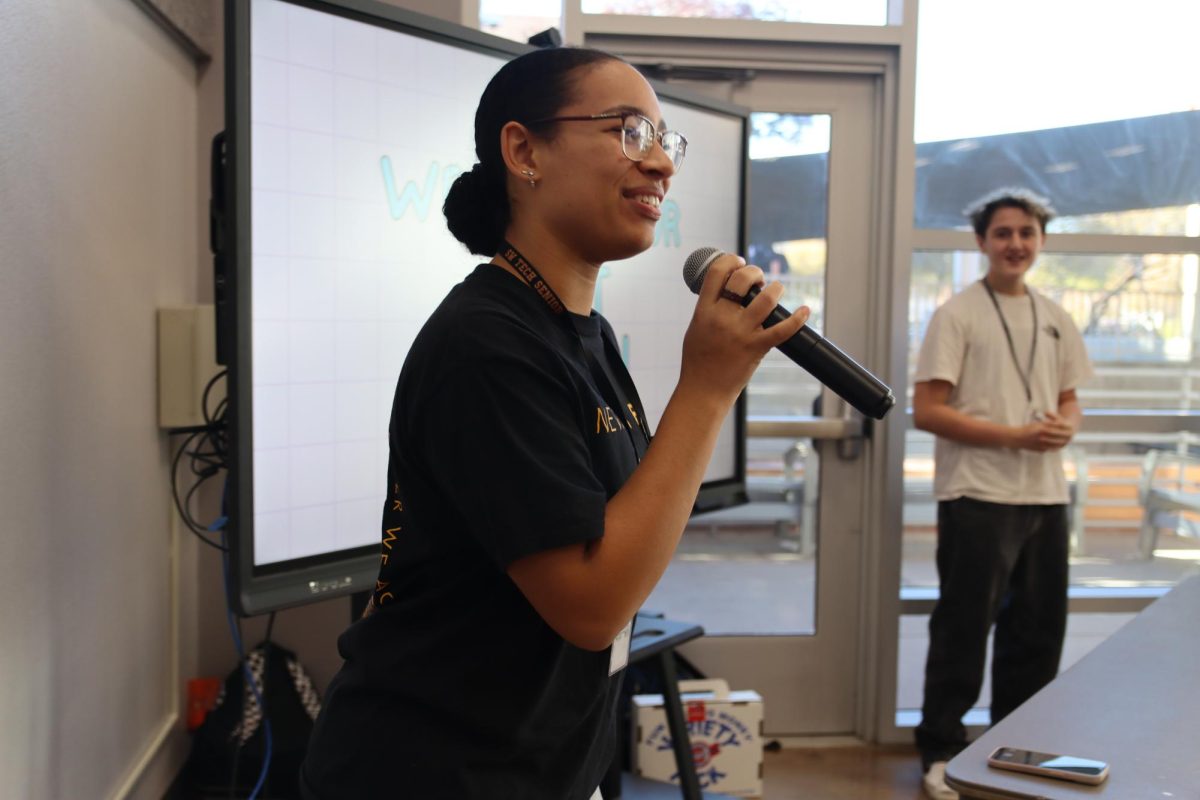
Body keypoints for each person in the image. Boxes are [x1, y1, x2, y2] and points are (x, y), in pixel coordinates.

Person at [299, 46, 808, 800]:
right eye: (631, 132)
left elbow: (620, 541)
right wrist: (706, 390)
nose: (661, 164)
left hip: (542, 764)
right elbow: (592, 605)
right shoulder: (484, 344)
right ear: (523, 150)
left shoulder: (583, 335)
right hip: (435, 772)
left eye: (667, 142)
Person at [912, 188, 1093, 800]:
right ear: (982, 242)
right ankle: (940, 752)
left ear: (1040, 241)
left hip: (1045, 496)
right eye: (1003, 233)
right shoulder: (957, 313)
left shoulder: (1055, 316)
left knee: (1038, 636)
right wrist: (1014, 436)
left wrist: (1066, 423)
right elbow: (927, 410)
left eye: (1027, 233)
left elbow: (1070, 396)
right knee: (964, 630)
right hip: (977, 493)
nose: (1016, 243)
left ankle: (1016, 754)